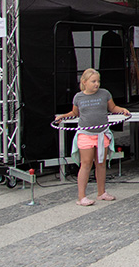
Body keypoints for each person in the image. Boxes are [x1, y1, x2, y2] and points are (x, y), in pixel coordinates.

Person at [53, 68, 130, 206]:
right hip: (86, 134)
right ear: (84, 82)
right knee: (86, 164)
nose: (97, 84)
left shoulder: (104, 94)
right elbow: (75, 113)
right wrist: (62, 117)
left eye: (98, 81)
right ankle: (81, 197)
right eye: (93, 81)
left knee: (101, 163)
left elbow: (112, 108)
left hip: (102, 134)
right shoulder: (78, 97)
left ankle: (101, 192)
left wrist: (122, 110)